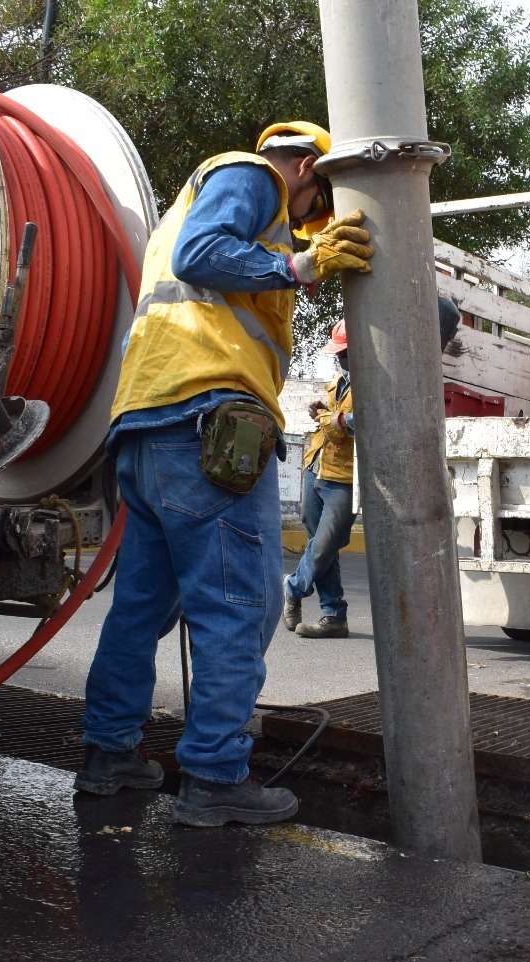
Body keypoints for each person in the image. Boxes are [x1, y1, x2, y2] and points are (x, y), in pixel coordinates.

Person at [75, 120, 374, 827]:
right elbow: (203, 253)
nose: (305, 226)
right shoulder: (251, 175)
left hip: (150, 422)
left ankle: (110, 755)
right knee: (239, 604)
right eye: (314, 207)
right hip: (208, 421)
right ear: (306, 168)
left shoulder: (192, 200)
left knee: (140, 608)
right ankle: (214, 776)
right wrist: (299, 267)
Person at [283, 295, 461, 638]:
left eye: (344, 354)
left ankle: (293, 586)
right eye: (338, 355)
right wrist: (323, 411)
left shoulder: (379, 381)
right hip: (316, 466)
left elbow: (367, 420)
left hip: (344, 478)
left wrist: (335, 419)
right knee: (322, 546)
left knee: (325, 544)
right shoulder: (340, 382)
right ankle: (333, 615)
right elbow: (336, 416)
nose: (340, 359)